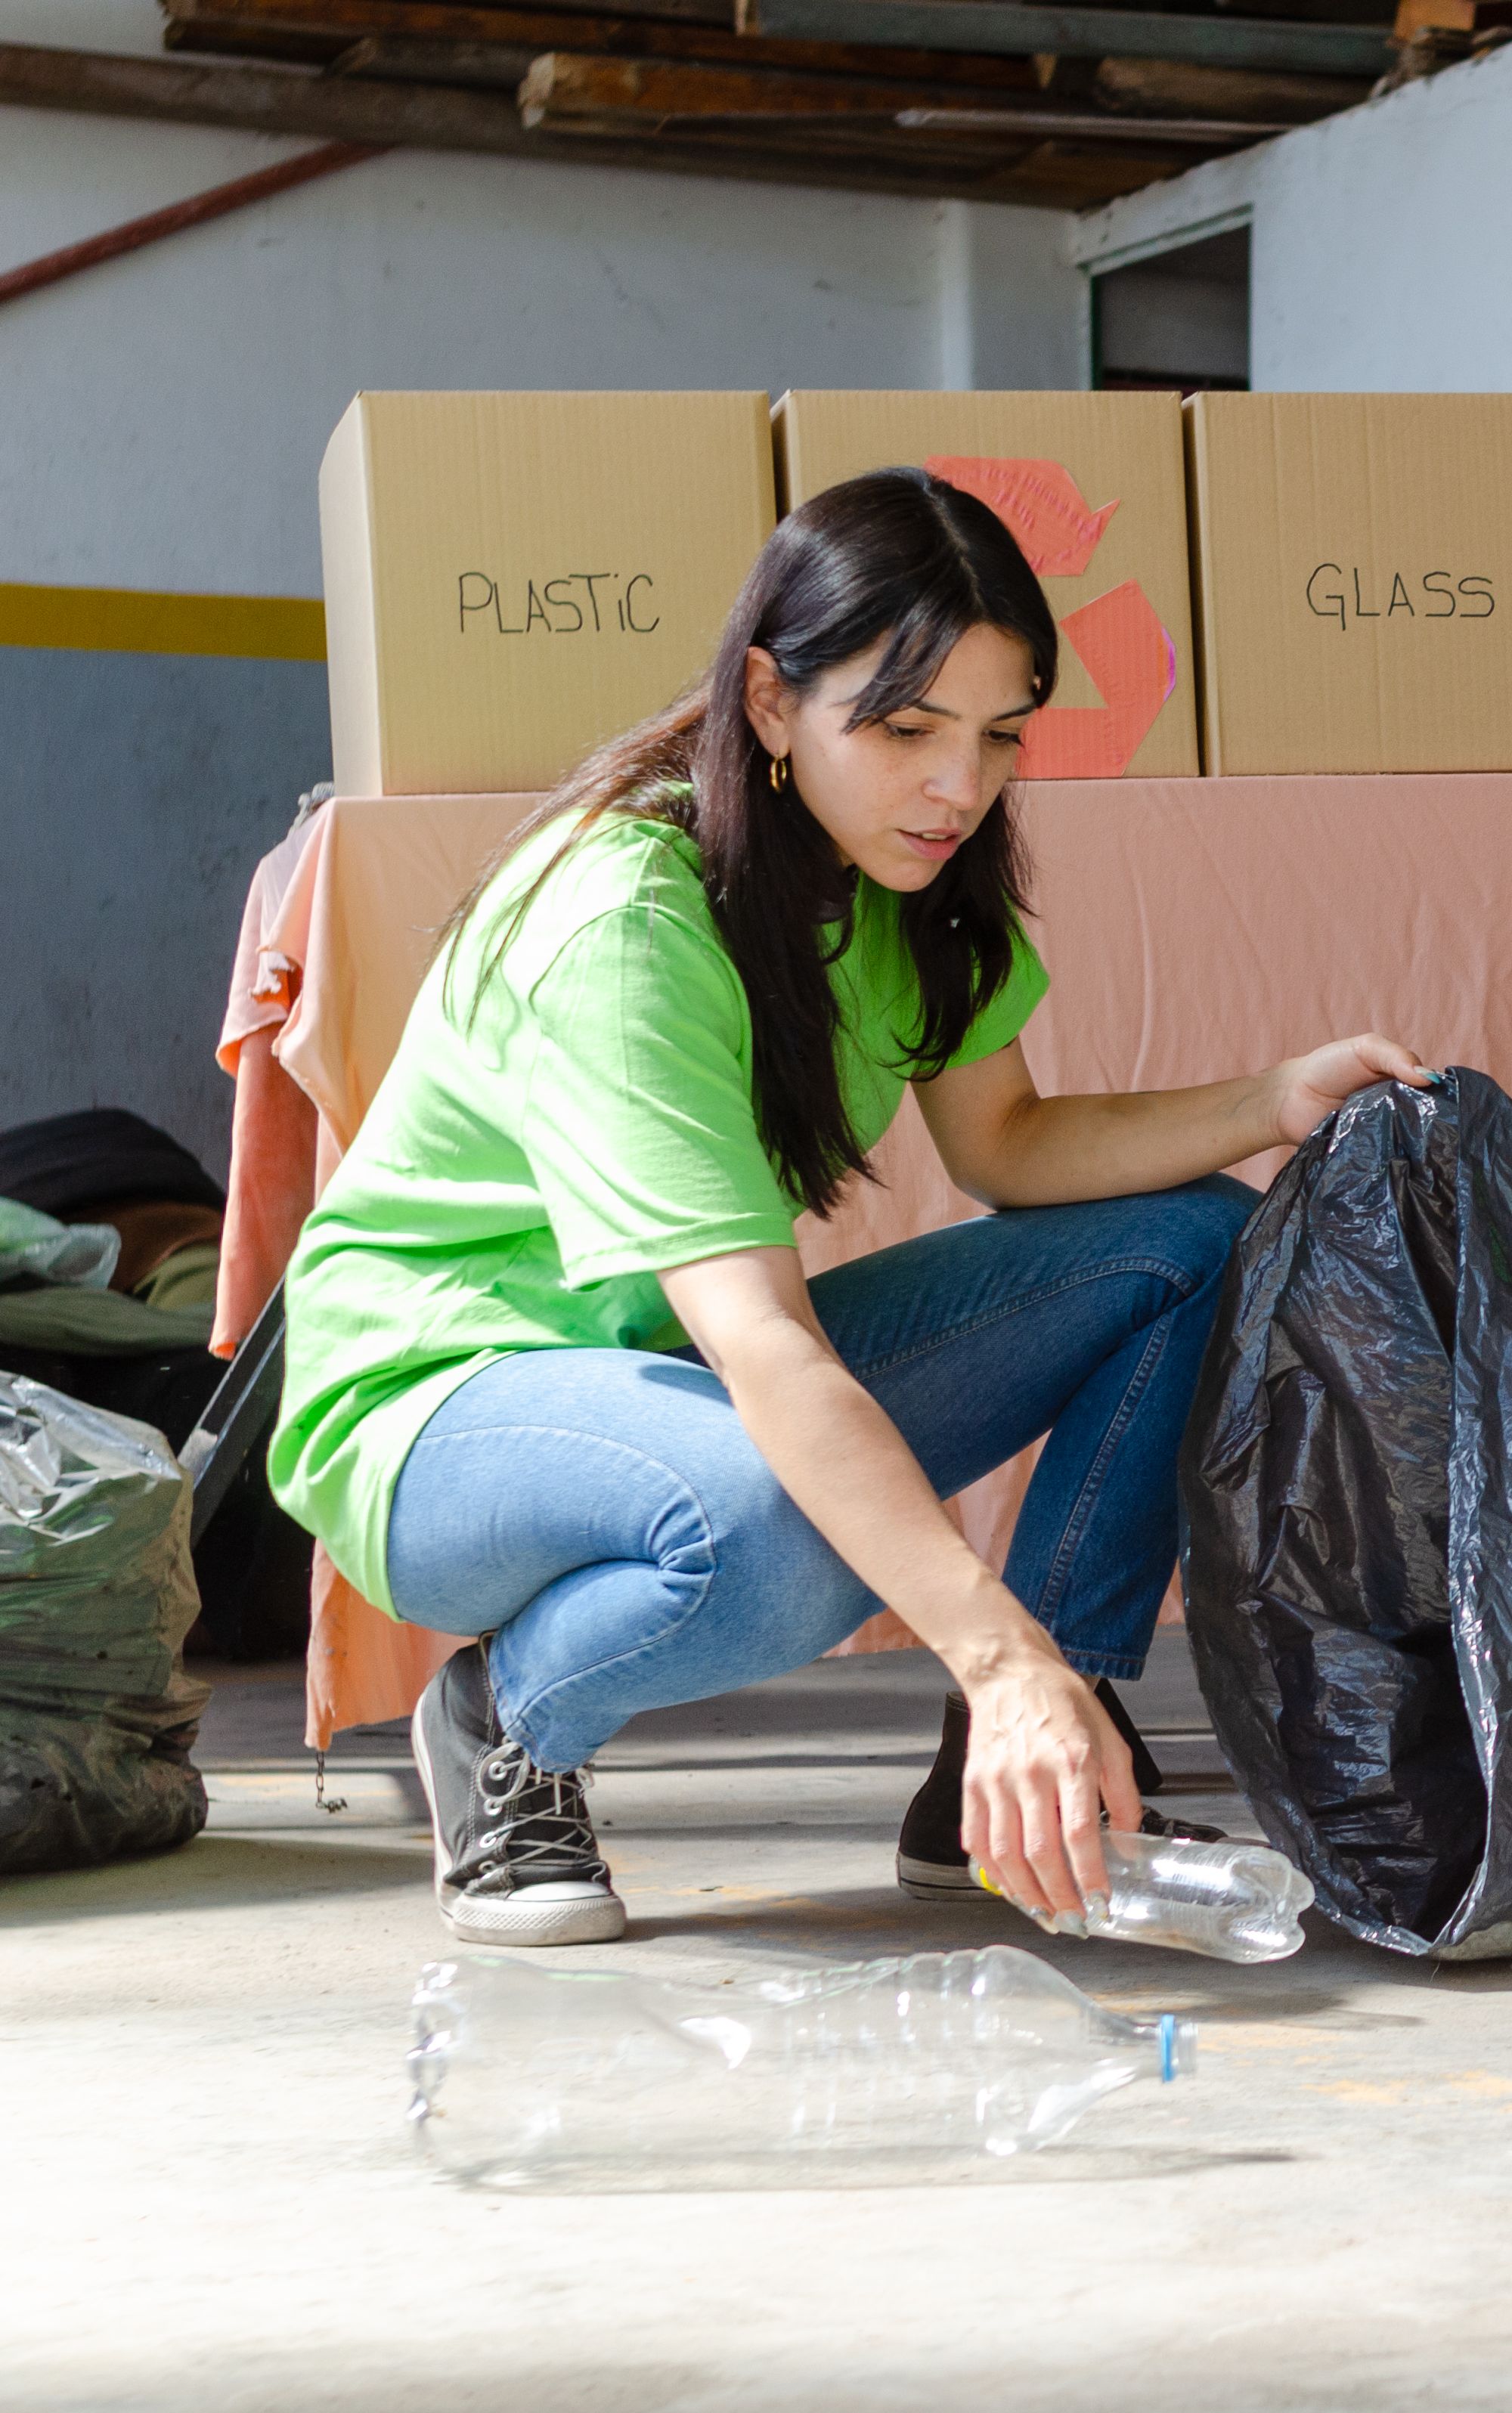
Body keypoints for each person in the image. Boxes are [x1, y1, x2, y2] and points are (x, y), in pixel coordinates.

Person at [268, 470, 1430, 1947]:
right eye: (903, 728)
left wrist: (1271, 1103)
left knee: (1193, 1242)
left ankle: (1010, 1778)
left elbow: (1006, 1142)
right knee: (781, 1525)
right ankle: (506, 1716)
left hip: (666, 1376)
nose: (959, 786)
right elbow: (765, 1350)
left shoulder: (907, 881)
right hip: (437, 1403)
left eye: (998, 735)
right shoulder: (627, 923)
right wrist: (985, 1649)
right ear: (769, 703)